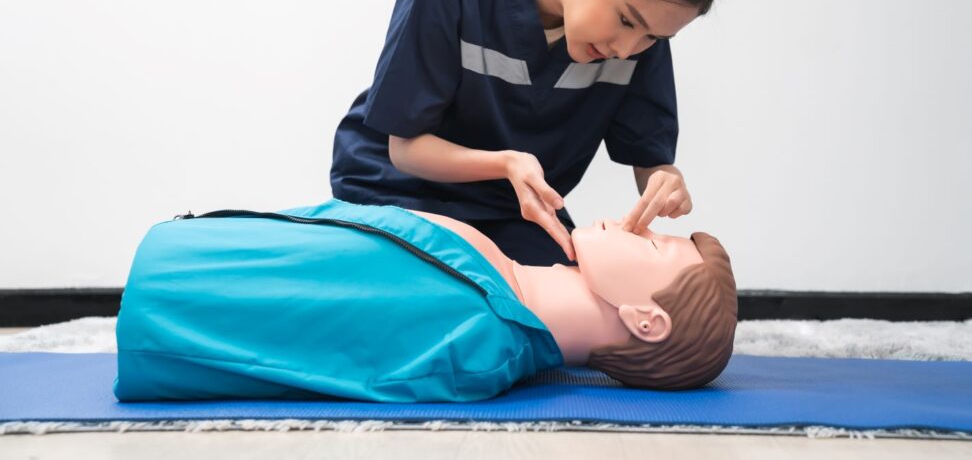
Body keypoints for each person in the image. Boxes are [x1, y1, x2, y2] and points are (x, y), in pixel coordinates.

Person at [330, 0, 730, 266]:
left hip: (512, 210)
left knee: (571, 308)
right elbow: (405, 149)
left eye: (654, 37)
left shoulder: (639, 43)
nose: (627, 49)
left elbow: (648, 155)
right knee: (449, 297)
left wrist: (665, 179)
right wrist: (505, 163)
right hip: (397, 188)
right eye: (627, 20)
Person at [113, 198, 737, 403]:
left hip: (168, 299)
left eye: (656, 246)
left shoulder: (475, 341)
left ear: (646, 321)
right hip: (187, 257)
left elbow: (308, 339)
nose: (638, 225)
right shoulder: (497, 297)